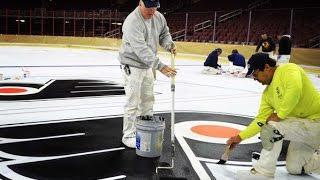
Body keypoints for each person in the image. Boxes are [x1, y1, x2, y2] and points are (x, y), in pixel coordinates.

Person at [227, 53, 320, 179]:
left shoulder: (287, 69)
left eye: (255, 74)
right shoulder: (267, 94)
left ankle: (263, 173)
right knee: (295, 168)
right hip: (305, 130)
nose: (254, 79)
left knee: (272, 126)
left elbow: (295, 89)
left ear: (266, 67)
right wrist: (240, 137)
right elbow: (260, 120)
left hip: (316, 121)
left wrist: (280, 115)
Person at [118, 0, 177, 148]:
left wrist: (169, 44)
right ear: (140, 3)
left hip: (147, 66)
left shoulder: (158, 17)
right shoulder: (132, 21)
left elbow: (164, 33)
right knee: (133, 102)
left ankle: (144, 128)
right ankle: (129, 135)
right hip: (133, 66)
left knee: (148, 100)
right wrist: (160, 66)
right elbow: (141, 49)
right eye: (148, 8)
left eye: (154, 8)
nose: (151, 12)